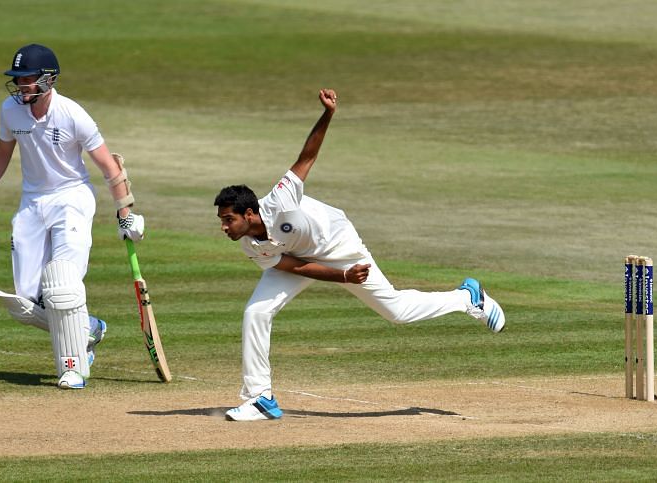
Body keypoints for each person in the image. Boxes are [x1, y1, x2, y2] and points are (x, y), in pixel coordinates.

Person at [214, 88, 506, 421]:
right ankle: (260, 398)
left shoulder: (281, 200)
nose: (224, 227)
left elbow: (307, 156)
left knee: (396, 311)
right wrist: (340, 278)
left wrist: (328, 114)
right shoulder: (250, 244)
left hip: (340, 246)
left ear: (250, 213)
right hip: (302, 259)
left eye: (228, 219)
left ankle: (468, 298)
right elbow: (295, 267)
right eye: (223, 221)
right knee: (256, 312)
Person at [0, 44, 145, 389]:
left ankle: (74, 368)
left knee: (63, 285)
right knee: (26, 302)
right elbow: (2, 152)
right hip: (32, 202)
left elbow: (110, 167)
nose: (21, 86)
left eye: (27, 79)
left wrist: (126, 213)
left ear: (48, 79)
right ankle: (88, 327)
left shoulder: (73, 114)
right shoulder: (10, 110)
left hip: (72, 198)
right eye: (17, 80)